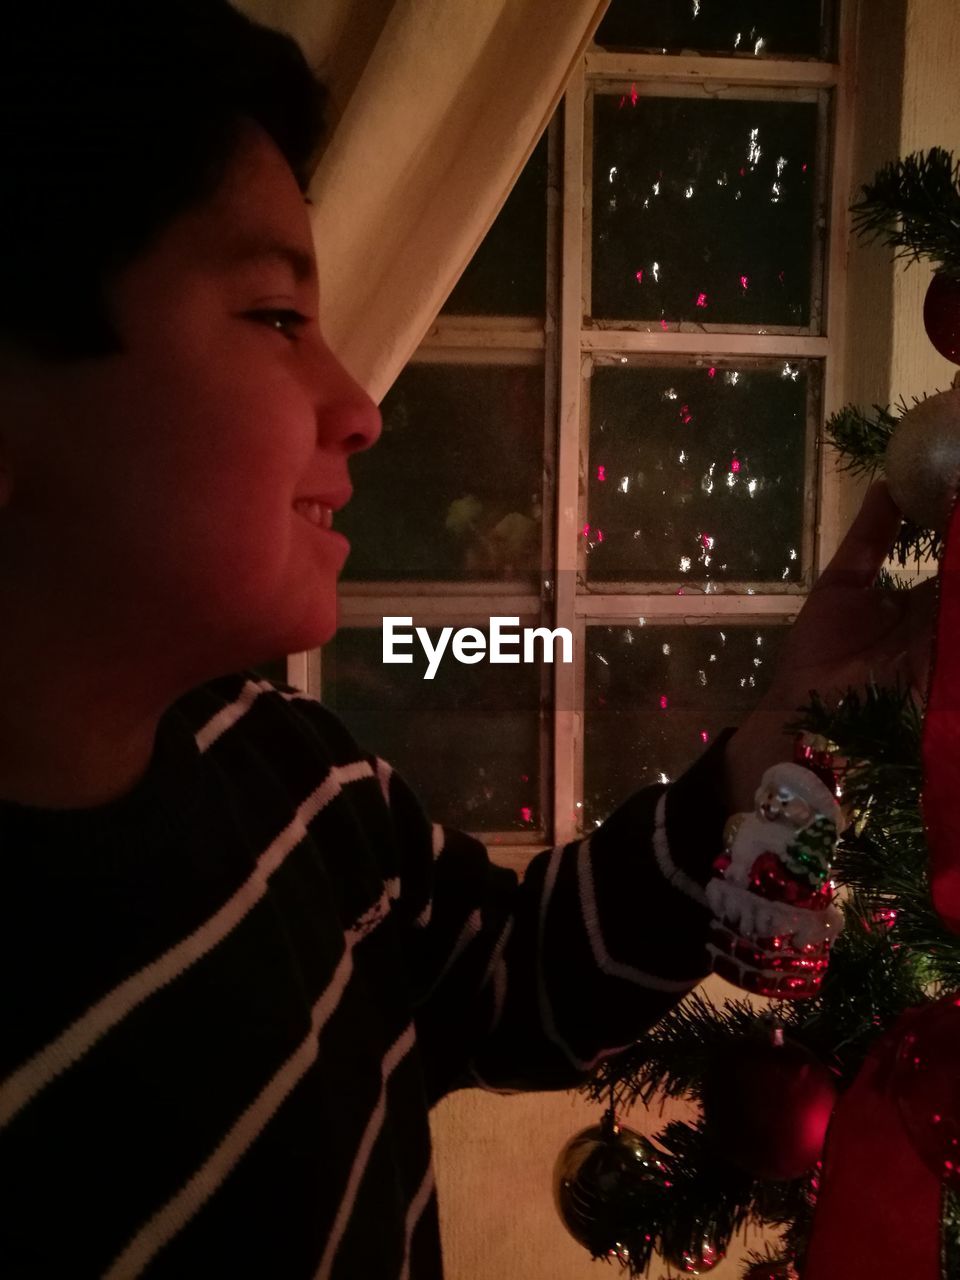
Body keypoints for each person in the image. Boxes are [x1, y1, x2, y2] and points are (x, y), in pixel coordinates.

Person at [0, 3, 935, 1277]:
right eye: (278, 315)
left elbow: (513, 976)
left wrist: (763, 758)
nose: (361, 406)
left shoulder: (292, 772)